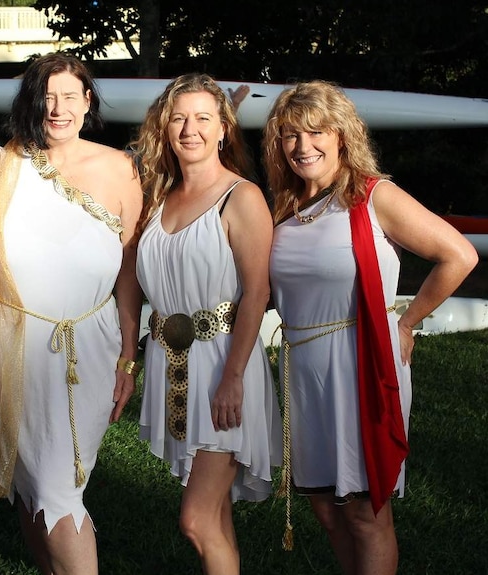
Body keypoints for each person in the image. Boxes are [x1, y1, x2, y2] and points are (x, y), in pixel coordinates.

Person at [262, 80, 478, 574]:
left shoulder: (370, 194)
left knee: (364, 512)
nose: (303, 146)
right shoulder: (286, 207)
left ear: (342, 136)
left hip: (359, 366)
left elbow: (459, 255)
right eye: (291, 135)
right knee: (323, 505)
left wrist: (406, 322)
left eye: (317, 132)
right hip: (303, 371)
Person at [0, 52, 143, 575]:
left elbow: (130, 270)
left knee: (56, 487)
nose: (56, 107)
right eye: (46, 96)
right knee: (29, 483)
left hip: (87, 345)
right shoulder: (4, 163)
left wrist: (129, 354)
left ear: (88, 102)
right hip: (9, 341)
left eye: (69, 96)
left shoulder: (122, 169)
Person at [131, 73, 282, 575]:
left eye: (202, 118)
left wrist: (233, 377)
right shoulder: (158, 198)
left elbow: (257, 293)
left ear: (223, 128)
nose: (189, 129)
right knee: (214, 517)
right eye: (178, 118)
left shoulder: (241, 197)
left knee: (196, 520)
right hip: (172, 366)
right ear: (165, 127)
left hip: (223, 366)